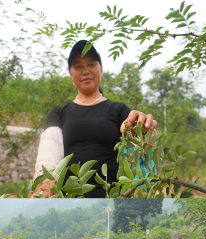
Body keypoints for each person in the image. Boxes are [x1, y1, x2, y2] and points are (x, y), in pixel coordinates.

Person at [32, 40, 158, 198]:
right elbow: (50, 145)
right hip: (70, 200)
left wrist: (144, 132)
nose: (85, 71)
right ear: (71, 74)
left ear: (101, 69)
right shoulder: (60, 113)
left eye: (91, 64)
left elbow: (136, 143)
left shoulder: (118, 110)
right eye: (78, 66)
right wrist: (46, 179)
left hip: (114, 198)